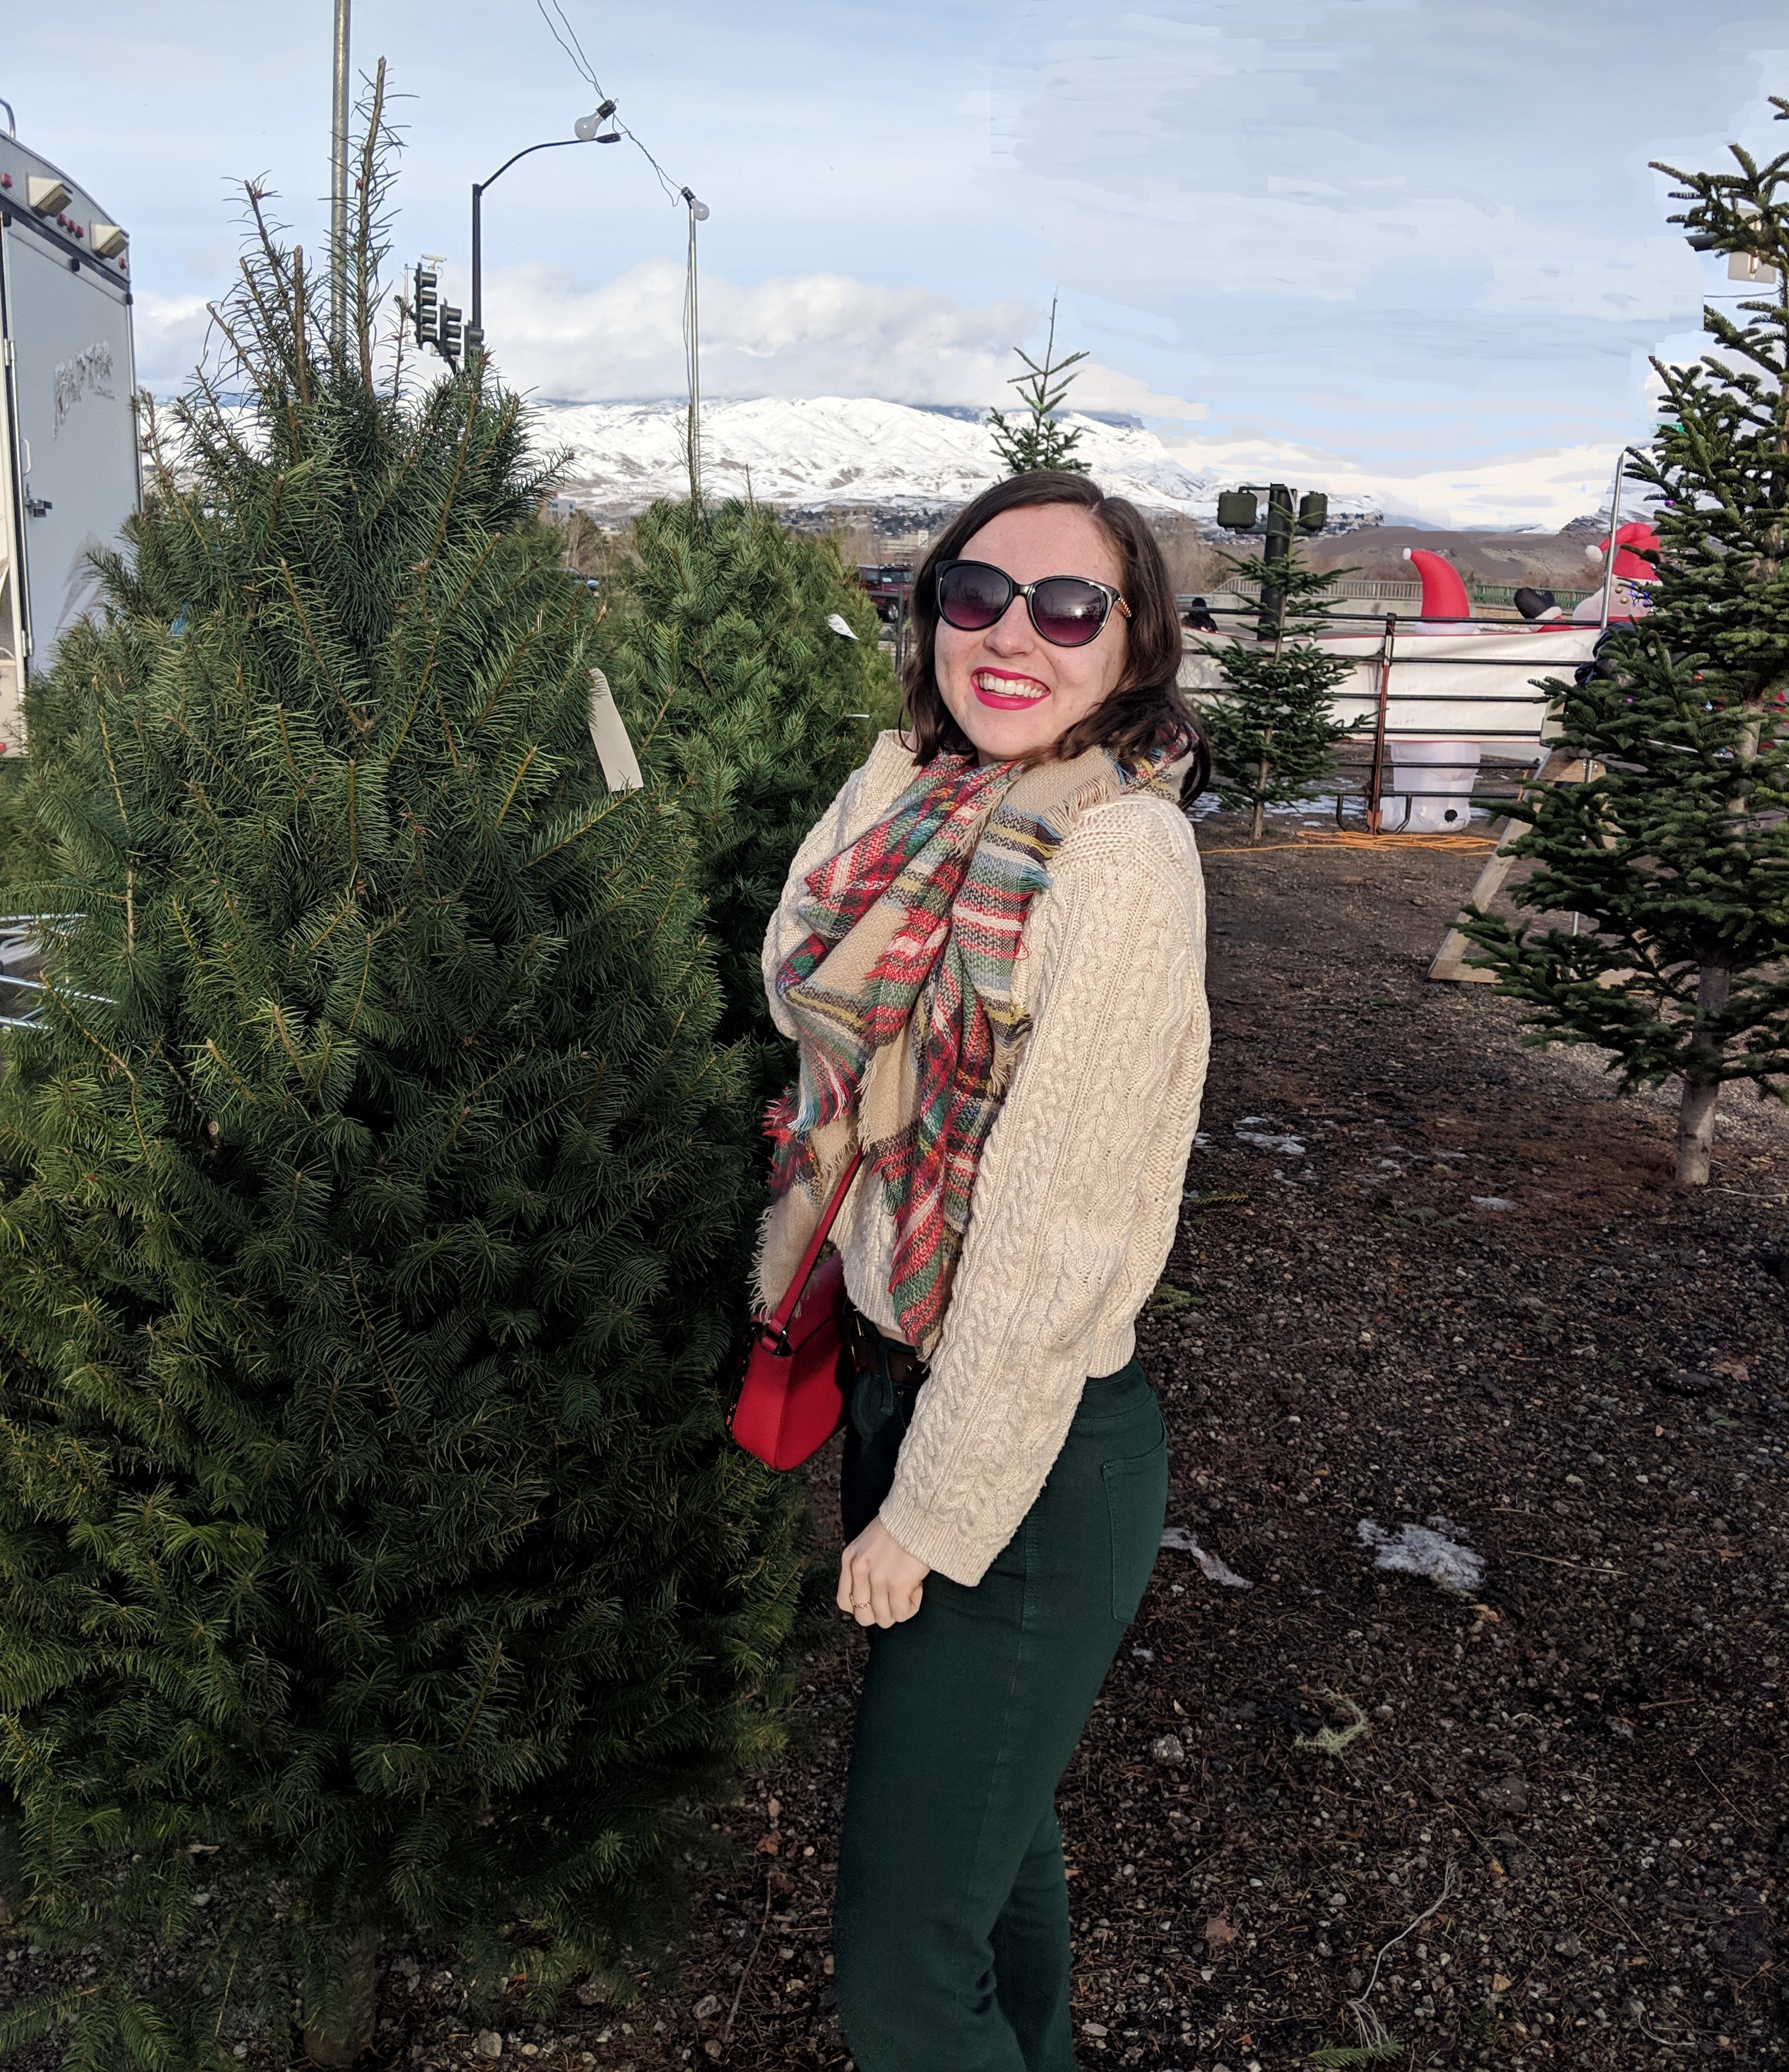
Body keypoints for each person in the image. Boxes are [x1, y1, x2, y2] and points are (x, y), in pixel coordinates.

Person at [757, 469, 1212, 2072]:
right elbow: (792, 967)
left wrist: (935, 1512)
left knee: (900, 1968)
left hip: (1027, 1460)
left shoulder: (1120, 864)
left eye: (1066, 606)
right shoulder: (937, 808)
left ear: (1132, 640)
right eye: (973, 595)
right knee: (999, 1855)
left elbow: (1044, 1240)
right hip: (911, 1396)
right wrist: (908, 760)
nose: (1013, 634)